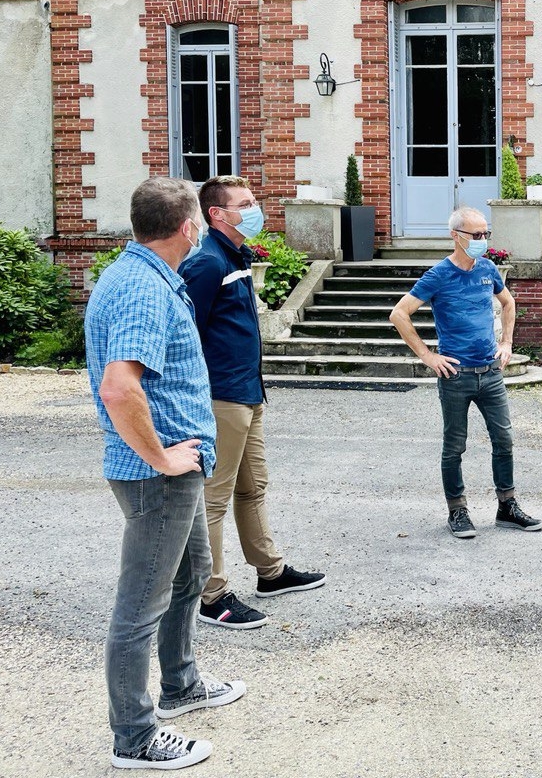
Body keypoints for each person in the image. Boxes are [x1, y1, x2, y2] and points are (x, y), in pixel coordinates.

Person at [85, 177, 244, 771]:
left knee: (192, 572)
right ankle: (135, 737)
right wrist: (160, 457)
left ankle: (181, 685)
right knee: (140, 604)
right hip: (157, 474)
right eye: (199, 223)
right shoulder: (141, 289)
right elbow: (119, 386)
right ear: (188, 228)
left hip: (180, 465)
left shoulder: (149, 276)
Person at [180, 176, 325, 630]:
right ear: (216, 214)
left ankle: (271, 572)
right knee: (214, 499)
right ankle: (211, 595)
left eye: (254, 200)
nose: (256, 208)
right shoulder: (205, 263)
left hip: (247, 392)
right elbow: (187, 336)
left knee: (253, 487)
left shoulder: (235, 256)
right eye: (245, 204)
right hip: (221, 397)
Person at [389, 206, 542, 538]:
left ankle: (507, 506)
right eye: (477, 235)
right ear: (455, 236)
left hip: (490, 372)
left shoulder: (487, 269)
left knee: (504, 440)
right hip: (455, 376)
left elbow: (508, 302)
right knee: (455, 445)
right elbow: (399, 314)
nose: (483, 240)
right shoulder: (438, 275)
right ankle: (457, 511)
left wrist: (507, 342)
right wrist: (428, 356)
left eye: (486, 234)